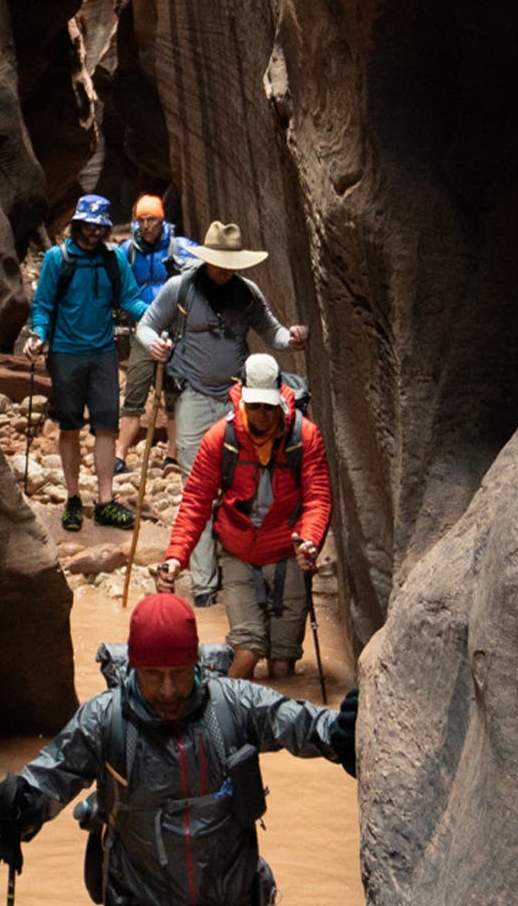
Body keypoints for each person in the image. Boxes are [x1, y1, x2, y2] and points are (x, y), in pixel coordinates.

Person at [0, 591, 357, 906]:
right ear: (134, 667)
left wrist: (340, 734)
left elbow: (298, 723)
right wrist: (22, 808)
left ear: (196, 665)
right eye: (152, 674)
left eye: (179, 673)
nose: (167, 690)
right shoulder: (105, 720)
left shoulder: (233, 704)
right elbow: (52, 774)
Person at [132, 221, 308, 602]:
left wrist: (291, 338)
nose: (225, 270)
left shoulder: (247, 294)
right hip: (193, 397)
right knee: (199, 489)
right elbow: (144, 327)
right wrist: (154, 347)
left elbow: (273, 332)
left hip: (236, 401)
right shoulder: (181, 289)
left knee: (236, 488)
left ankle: (239, 575)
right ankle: (205, 585)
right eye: (219, 263)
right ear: (207, 259)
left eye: (232, 264)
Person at [159, 357, 330, 679]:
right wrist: (175, 558)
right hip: (239, 553)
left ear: (280, 399)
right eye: (256, 408)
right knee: (247, 652)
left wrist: (309, 542)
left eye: (269, 408)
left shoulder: (305, 437)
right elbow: (195, 502)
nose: (263, 416)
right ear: (243, 400)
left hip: (287, 553)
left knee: (282, 664)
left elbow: (318, 497)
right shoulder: (219, 439)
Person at [28, 193, 143, 531]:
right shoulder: (56, 258)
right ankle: (74, 498)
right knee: (70, 425)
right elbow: (44, 304)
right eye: (89, 225)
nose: (94, 232)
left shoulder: (114, 259)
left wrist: (152, 317)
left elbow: (130, 299)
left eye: (100, 226)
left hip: (103, 352)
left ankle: (105, 500)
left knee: (106, 424)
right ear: (79, 223)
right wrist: (38, 334)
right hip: (65, 353)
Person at [112, 194, 183, 480]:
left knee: (174, 394)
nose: (146, 226)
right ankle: (119, 454)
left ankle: (172, 455)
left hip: (175, 330)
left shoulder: (179, 248)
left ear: (161, 219)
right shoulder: (127, 251)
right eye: (140, 220)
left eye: (151, 219)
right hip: (142, 329)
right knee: (135, 390)